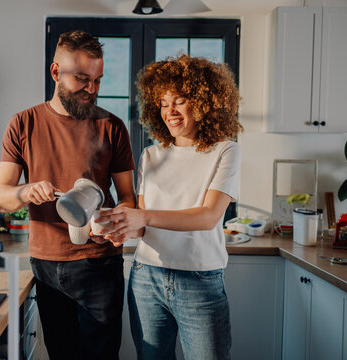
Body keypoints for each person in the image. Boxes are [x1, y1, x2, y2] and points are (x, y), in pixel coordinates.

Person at [0, 30, 136, 360]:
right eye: (82, 79)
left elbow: (129, 198)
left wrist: (115, 223)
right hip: (47, 265)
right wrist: (26, 191)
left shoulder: (112, 126)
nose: (93, 89)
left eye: (98, 80)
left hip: (99, 264)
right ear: (56, 72)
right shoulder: (23, 124)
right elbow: (1, 196)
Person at [97, 54, 243, 360]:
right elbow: (143, 225)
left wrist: (141, 215)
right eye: (163, 103)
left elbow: (208, 216)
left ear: (205, 102)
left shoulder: (226, 151)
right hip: (146, 277)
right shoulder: (152, 155)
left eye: (179, 101)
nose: (170, 111)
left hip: (200, 280)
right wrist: (120, 227)